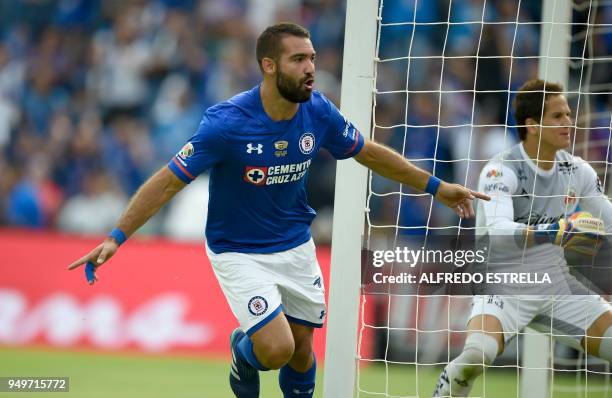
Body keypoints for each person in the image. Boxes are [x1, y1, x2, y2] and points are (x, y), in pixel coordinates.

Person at [67, 22, 488, 398]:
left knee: (302, 352)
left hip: (294, 245)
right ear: (269, 66)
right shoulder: (226, 123)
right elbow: (168, 180)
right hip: (238, 250)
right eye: (299, 59)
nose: (310, 68)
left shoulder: (317, 110)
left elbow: (368, 153)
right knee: (277, 349)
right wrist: (115, 237)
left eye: (312, 58)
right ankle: (243, 352)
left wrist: (436, 187)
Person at [433, 79, 612, 397]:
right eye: (557, 116)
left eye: (568, 114)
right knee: (477, 355)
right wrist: (553, 232)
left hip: (556, 283)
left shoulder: (578, 171)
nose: (568, 122)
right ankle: (449, 386)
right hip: (504, 282)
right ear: (532, 124)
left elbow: (607, 217)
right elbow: (499, 232)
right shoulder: (500, 170)